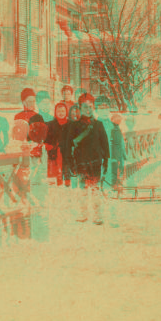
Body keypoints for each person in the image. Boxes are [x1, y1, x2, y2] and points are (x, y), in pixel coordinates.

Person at [66, 93, 110, 225]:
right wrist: (70, 163)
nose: (88, 109)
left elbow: (105, 144)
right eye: (85, 106)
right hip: (81, 162)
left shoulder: (98, 125)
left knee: (95, 190)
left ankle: (97, 215)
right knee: (83, 190)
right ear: (79, 108)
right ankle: (83, 213)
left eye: (90, 106)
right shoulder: (74, 126)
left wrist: (106, 160)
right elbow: (69, 145)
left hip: (95, 162)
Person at [44, 102, 68, 186]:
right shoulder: (51, 124)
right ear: (55, 112)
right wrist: (48, 145)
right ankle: (53, 186)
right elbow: (46, 138)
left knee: (65, 172)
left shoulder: (69, 124)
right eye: (59, 111)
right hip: (53, 152)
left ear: (66, 112)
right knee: (53, 172)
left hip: (66, 153)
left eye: (63, 111)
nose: (61, 113)